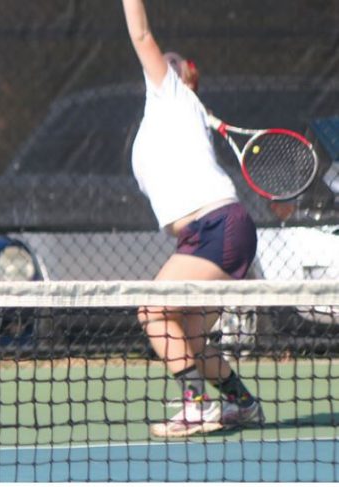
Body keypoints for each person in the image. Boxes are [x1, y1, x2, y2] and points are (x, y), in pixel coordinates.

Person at [121, 0, 266, 438]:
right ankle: (242, 403)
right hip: (212, 232)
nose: (165, 59)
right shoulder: (169, 113)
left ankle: (196, 406)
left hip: (217, 228)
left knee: (151, 310)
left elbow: (142, 35)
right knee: (190, 337)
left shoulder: (173, 93)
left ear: (187, 77)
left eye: (174, 63)